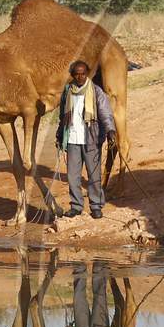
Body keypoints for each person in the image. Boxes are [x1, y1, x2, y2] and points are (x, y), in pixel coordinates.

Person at [55, 60, 117, 219]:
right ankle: (76, 206)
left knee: (93, 175)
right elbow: (63, 116)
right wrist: (60, 134)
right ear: (72, 75)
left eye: (83, 73)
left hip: (91, 139)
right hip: (73, 139)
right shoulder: (68, 91)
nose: (80, 76)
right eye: (77, 74)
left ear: (87, 73)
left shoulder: (96, 91)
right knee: (72, 176)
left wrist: (110, 130)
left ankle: (96, 206)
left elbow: (105, 113)